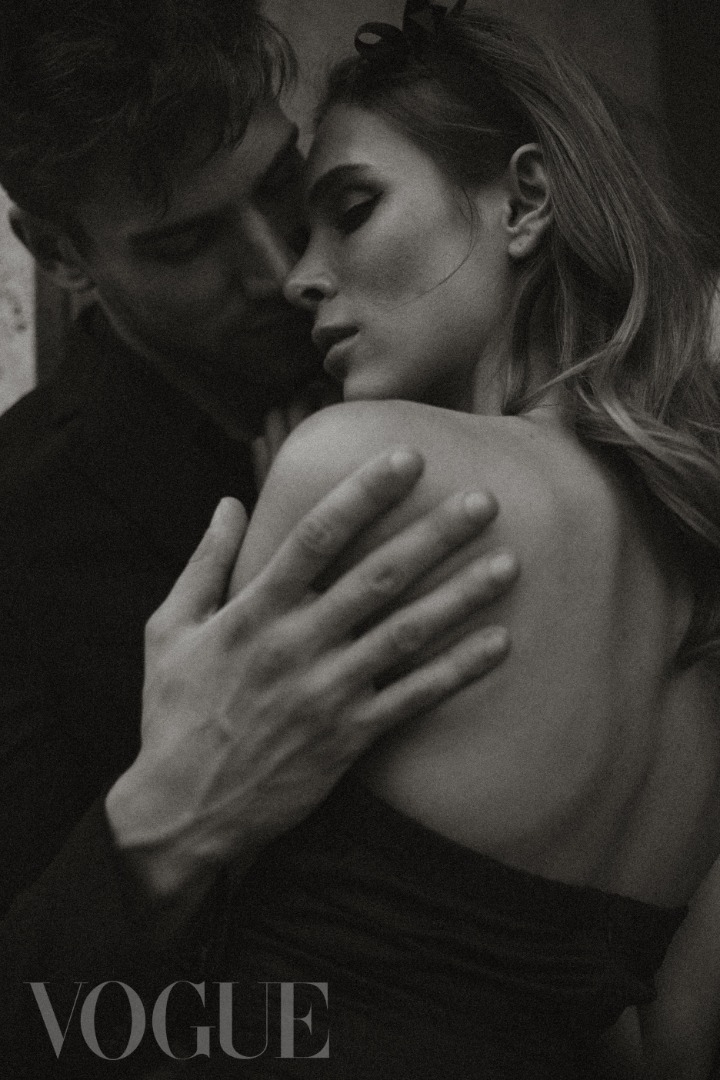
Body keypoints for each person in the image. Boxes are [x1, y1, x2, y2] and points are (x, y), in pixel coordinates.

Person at [189, 1, 718, 1076]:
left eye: (351, 209)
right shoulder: (701, 581)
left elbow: (190, 926)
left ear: (525, 201)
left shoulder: (358, 468)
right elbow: (668, 1044)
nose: (300, 276)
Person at [0, 1, 521, 1071]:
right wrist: (164, 827)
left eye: (285, 183)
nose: (282, 266)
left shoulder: (465, 375)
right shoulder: (18, 530)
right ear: (58, 252)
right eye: (185, 242)